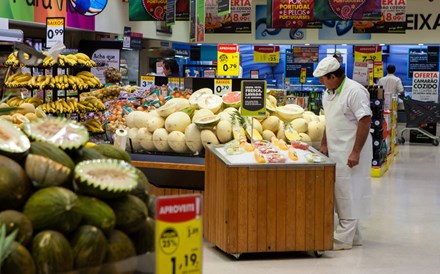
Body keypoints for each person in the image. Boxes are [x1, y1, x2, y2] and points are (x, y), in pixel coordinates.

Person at [313, 56, 373, 251]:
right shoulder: (328, 93)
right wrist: (324, 144)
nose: (320, 82)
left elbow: (365, 121)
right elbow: (329, 121)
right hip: (335, 150)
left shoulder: (354, 91)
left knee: (349, 192)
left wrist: (356, 152)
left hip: (351, 151)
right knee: (340, 192)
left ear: (333, 76)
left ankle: (342, 240)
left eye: (322, 78)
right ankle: (354, 236)